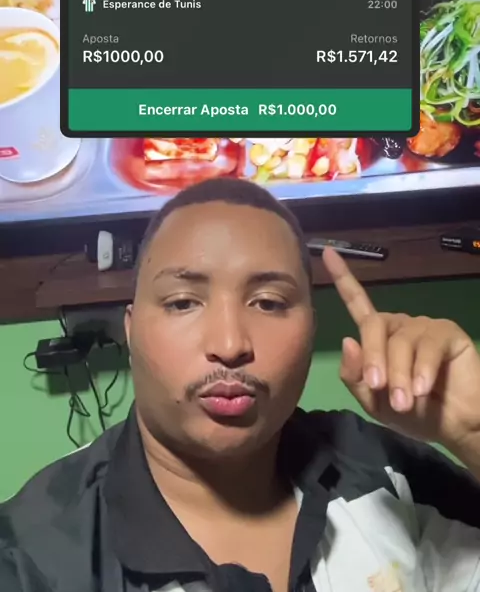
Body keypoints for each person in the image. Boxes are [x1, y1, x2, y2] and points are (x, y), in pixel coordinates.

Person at [1, 177, 479, 592]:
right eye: (183, 302)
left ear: (311, 331)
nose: (230, 345)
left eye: (269, 302)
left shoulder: (381, 470)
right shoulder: (32, 556)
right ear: (130, 330)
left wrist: (473, 434)